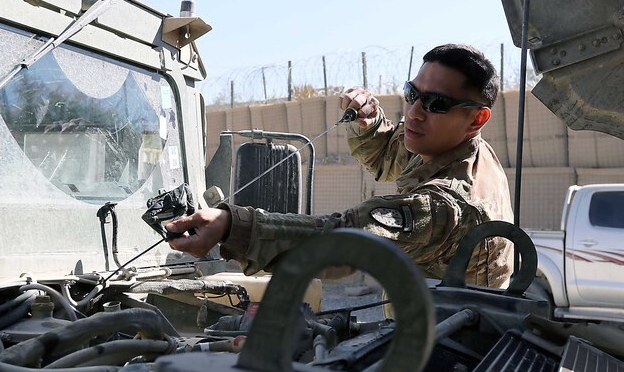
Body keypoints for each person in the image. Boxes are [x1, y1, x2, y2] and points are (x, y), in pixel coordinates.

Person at [167, 43, 514, 288]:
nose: (413, 112)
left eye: (436, 103)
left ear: (477, 119)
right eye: (412, 93)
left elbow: (345, 239)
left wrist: (232, 228)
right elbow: (392, 157)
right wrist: (370, 122)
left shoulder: (447, 205)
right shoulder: (456, 148)